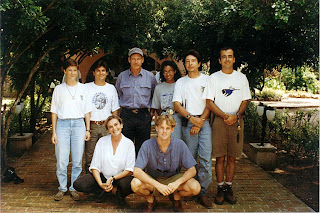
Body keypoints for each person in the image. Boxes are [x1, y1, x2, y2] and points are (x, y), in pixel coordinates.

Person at [203, 47, 251, 205]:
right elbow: (209, 101)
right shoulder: (214, 78)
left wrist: (235, 116)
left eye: (230, 56)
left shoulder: (241, 78)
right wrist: (224, 116)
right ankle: (220, 188)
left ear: (234, 59)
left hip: (236, 121)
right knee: (220, 157)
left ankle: (229, 188)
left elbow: (245, 100)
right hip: (219, 121)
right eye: (224, 57)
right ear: (219, 60)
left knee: (232, 157)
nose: (227, 59)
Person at [131, 114, 201, 212]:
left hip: (173, 179)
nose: (164, 131)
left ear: (172, 130)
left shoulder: (180, 144)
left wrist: (177, 183)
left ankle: (176, 197)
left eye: (167, 128)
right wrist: (158, 185)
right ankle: (150, 200)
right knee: (135, 184)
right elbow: (136, 171)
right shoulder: (147, 145)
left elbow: (192, 170)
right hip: (153, 179)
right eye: (161, 128)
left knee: (195, 187)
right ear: (156, 128)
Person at [172, 50, 213, 208]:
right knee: (190, 159)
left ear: (199, 63)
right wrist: (191, 119)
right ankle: (193, 187)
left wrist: (200, 122)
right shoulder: (181, 82)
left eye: (193, 60)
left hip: (204, 122)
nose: (190, 64)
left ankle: (202, 190)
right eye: (187, 61)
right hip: (188, 122)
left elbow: (210, 102)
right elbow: (177, 105)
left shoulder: (207, 80)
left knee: (205, 158)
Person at [50, 59, 92, 201]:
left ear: (77, 71)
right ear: (65, 71)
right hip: (62, 124)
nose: (72, 73)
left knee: (77, 159)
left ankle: (74, 188)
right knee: (61, 159)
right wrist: (54, 132)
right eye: (70, 70)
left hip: (79, 125)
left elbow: (87, 111)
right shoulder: (58, 89)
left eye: (75, 70)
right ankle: (62, 188)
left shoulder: (83, 88)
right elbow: (54, 111)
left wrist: (87, 129)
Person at [73, 115, 135, 203]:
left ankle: (110, 190)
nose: (114, 128)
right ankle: (106, 190)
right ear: (108, 130)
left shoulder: (129, 144)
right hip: (102, 177)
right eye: (110, 127)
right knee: (79, 184)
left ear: (121, 125)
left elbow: (129, 170)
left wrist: (113, 178)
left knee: (127, 185)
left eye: (116, 124)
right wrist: (100, 183)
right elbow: (95, 166)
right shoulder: (102, 141)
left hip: (119, 178)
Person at [115, 47, 157, 155]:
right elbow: (117, 96)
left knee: (143, 147)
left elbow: (155, 96)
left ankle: (140, 170)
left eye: (139, 58)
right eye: (133, 58)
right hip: (126, 115)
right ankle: (126, 171)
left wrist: (151, 113)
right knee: (125, 146)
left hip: (143, 115)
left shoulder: (150, 77)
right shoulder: (122, 76)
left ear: (142, 60)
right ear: (129, 60)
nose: (136, 61)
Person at [85, 60, 120, 173]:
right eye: (98, 71)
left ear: (106, 73)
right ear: (93, 72)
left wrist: (114, 128)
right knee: (90, 154)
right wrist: (87, 128)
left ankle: (105, 180)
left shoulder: (111, 88)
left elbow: (115, 110)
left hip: (106, 125)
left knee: (107, 154)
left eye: (103, 71)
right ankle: (90, 181)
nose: (101, 73)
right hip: (92, 125)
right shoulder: (86, 88)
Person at [151, 60, 182, 139]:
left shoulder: (180, 85)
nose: (168, 74)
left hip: (177, 117)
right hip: (164, 116)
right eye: (165, 72)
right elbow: (156, 107)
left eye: (170, 71)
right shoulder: (159, 88)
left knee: (176, 142)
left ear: (175, 71)